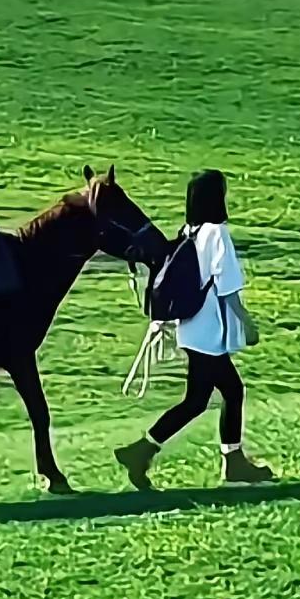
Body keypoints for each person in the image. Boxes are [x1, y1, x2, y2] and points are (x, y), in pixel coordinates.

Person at [114, 169, 273, 487]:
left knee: (202, 399)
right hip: (208, 331)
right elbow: (227, 287)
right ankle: (229, 464)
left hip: (192, 328)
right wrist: (247, 324)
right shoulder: (216, 233)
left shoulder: (190, 231)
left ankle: (146, 451)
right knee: (227, 392)